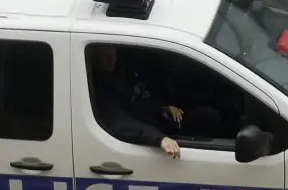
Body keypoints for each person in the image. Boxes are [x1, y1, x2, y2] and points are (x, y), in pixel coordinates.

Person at [88, 44, 223, 159]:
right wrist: (159, 139)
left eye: (111, 53)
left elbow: (146, 93)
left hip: (160, 120)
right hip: (146, 137)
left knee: (209, 115)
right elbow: (119, 121)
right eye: (102, 56)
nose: (109, 59)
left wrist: (163, 107)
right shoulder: (100, 89)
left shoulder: (125, 70)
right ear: (91, 57)